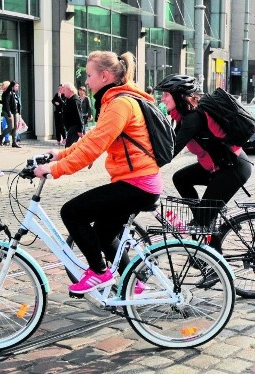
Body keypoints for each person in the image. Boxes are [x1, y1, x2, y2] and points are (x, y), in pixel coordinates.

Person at [34, 51, 160, 294]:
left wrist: (54, 170)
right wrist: (60, 155)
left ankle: (99, 273)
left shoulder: (120, 104)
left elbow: (93, 148)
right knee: (103, 234)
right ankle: (135, 284)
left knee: (72, 212)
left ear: (104, 76)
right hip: (138, 182)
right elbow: (91, 139)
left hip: (137, 184)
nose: (87, 82)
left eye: (89, 75)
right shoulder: (115, 101)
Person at [156, 74, 252, 233]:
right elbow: (169, 143)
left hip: (233, 169)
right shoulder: (185, 117)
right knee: (181, 179)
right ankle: (203, 218)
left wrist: (146, 166)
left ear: (179, 96)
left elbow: (171, 151)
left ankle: (209, 241)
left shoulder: (193, 119)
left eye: (166, 94)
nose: (162, 99)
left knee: (203, 221)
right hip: (218, 167)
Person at [61, 82, 84, 148]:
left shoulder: (75, 100)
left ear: (70, 90)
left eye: (65, 90)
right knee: (70, 148)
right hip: (70, 128)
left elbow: (79, 116)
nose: (63, 92)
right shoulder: (68, 99)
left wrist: (80, 130)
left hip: (75, 128)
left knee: (69, 148)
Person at [0, 80, 21, 148]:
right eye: (16, 86)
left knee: (15, 127)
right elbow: (6, 104)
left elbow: (17, 104)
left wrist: (19, 113)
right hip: (8, 112)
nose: (17, 87)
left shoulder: (15, 93)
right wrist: (9, 114)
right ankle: (1, 137)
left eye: (18, 86)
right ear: (12, 86)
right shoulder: (8, 93)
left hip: (15, 112)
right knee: (10, 127)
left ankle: (14, 142)